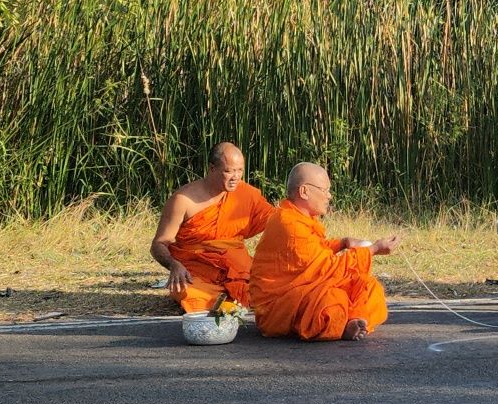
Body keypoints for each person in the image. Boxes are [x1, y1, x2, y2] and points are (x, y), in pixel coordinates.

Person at [247, 162, 395, 341]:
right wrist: (373, 249)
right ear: (304, 192)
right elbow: (327, 266)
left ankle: (354, 321)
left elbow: (315, 251)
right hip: (280, 305)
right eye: (324, 190)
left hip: (308, 288)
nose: (329, 196)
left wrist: (343, 243)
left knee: (368, 286)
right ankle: (343, 324)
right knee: (331, 301)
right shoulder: (288, 224)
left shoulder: (299, 218)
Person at [150, 142, 274, 313]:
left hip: (237, 267)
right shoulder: (184, 200)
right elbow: (159, 244)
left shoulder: (247, 194)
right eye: (229, 171)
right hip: (197, 271)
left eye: (240, 170)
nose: (235, 177)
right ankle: (229, 302)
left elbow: (275, 220)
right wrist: (174, 265)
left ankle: (232, 301)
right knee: (189, 292)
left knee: (273, 286)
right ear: (212, 168)